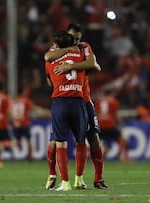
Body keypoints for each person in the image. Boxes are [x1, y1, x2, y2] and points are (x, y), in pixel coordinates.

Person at [44, 23, 108, 190]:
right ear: (67, 36)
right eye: (73, 39)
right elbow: (47, 57)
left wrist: (70, 66)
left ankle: (98, 178)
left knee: (92, 137)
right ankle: (52, 174)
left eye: (79, 39)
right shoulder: (58, 48)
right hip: (69, 97)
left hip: (83, 99)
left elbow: (94, 64)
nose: (76, 42)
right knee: (54, 142)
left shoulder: (84, 47)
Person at [44, 30, 88, 191]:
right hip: (78, 102)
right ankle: (79, 180)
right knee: (81, 141)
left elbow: (49, 81)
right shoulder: (81, 57)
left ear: (57, 45)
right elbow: (91, 64)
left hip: (60, 102)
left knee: (60, 144)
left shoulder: (50, 61)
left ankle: (65, 183)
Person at [11, 86, 50, 161]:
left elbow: (11, 112)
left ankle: (5, 147)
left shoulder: (14, 102)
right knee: (28, 140)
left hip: (16, 124)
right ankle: (30, 157)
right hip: (24, 123)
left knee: (17, 142)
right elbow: (34, 108)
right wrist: (46, 112)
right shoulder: (25, 101)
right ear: (22, 92)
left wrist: (15, 121)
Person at [94, 89, 129, 161]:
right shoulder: (113, 101)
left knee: (106, 146)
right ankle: (121, 157)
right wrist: (121, 123)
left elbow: (96, 114)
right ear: (110, 94)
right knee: (123, 140)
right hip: (110, 125)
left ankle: (99, 160)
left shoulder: (98, 101)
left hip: (100, 126)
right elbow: (116, 115)